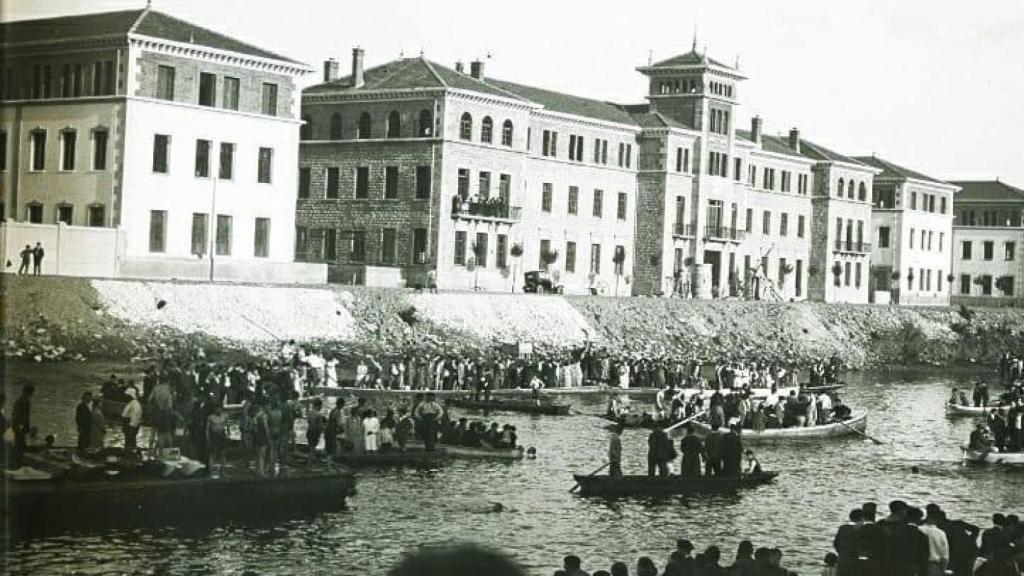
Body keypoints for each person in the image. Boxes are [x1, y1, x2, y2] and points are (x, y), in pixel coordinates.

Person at [919, 508, 950, 576]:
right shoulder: (941, 533)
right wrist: (942, 571)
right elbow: (945, 556)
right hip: (934, 566)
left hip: (919, 565)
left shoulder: (919, 529)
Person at [11, 385, 34, 466]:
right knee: (20, 443)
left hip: (15, 424)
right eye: (32, 393)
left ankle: (17, 460)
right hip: (20, 426)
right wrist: (26, 427)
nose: (32, 395)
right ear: (29, 392)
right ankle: (20, 462)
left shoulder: (18, 400)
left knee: (18, 443)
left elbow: (14, 414)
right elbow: (25, 416)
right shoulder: (26, 401)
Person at [206, 404, 228, 477]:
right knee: (212, 454)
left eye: (219, 409)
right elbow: (207, 428)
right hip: (214, 436)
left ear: (221, 409)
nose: (217, 410)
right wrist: (207, 437)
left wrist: (228, 435)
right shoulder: (211, 417)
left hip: (222, 435)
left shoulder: (225, 416)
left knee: (223, 454)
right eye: (216, 409)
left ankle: (222, 471)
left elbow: (227, 426)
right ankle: (210, 472)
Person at [305, 398, 326, 467]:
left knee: (311, 448)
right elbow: (320, 427)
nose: (321, 408)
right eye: (321, 406)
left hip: (309, 431)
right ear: (318, 406)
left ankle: (310, 463)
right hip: (314, 433)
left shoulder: (309, 413)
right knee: (312, 449)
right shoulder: (319, 415)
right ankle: (309, 465)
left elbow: (309, 422)